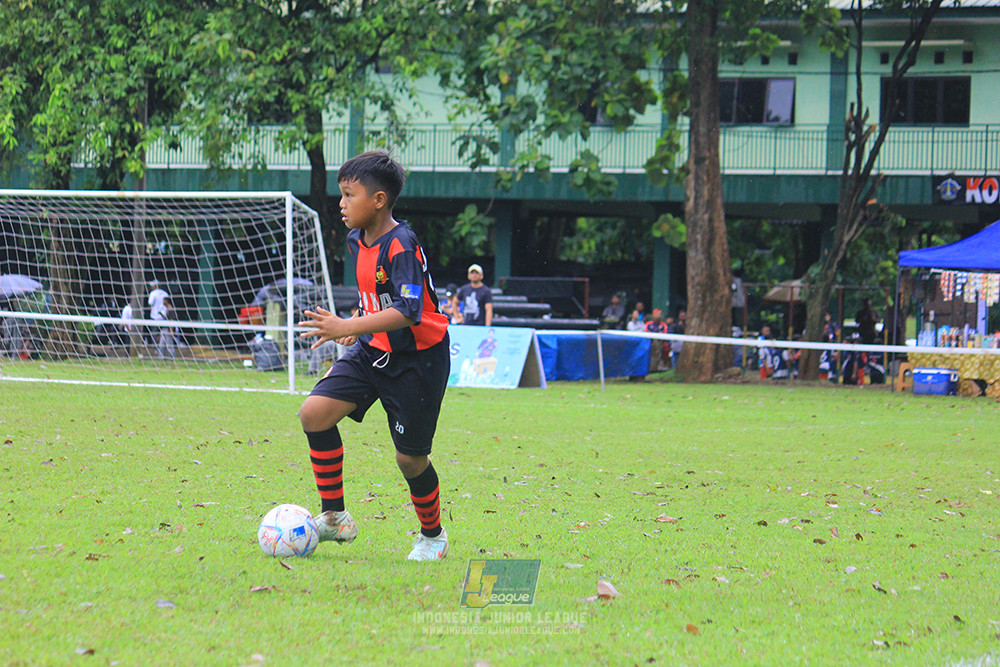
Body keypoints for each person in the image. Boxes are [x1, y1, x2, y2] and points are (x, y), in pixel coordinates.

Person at [296, 151, 451, 561]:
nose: (342, 203)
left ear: (379, 200)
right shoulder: (355, 240)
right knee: (314, 414)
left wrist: (346, 327)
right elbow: (377, 297)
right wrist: (357, 322)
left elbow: (409, 310)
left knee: (410, 459)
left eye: (350, 194)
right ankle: (335, 517)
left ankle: (433, 537)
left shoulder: (402, 244)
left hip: (418, 361)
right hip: (372, 351)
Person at [147, 280, 175, 359]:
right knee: (162, 336)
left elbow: (150, 303)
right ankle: (161, 354)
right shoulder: (165, 293)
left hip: (155, 317)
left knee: (156, 334)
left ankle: (157, 349)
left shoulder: (153, 293)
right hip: (163, 319)